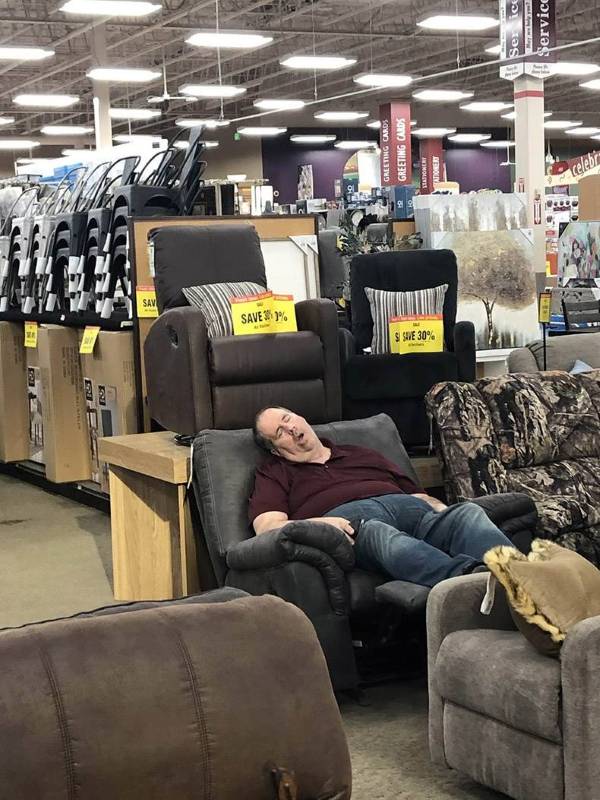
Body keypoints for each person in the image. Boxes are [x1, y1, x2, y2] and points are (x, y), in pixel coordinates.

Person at [248, 406, 513, 588]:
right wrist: (322, 524)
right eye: (280, 432)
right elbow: (267, 527)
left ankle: (520, 577)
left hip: (418, 517)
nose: (290, 428)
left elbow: (418, 495)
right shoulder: (274, 472)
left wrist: (443, 511)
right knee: (380, 533)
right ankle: (472, 580)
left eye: (288, 419)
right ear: (276, 450)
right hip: (358, 529)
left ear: (300, 417)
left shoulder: (359, 453)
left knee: (467, 514)